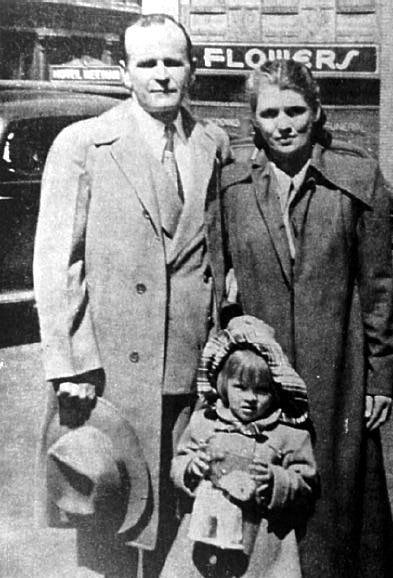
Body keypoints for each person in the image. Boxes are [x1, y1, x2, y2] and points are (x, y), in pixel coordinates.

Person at [34, 13, 229, 578]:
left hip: (189, 369)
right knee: (111, 518)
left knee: (179, 519)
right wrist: (71, 364)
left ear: (192, 70)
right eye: (147, 63)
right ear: (125, 73)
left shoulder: (214, 144)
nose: (161, 75)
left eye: (173, 62)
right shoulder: (84, 144)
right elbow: (57, 262)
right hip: (109, 375)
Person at [209, 59, 393, 577]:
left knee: (342, 504)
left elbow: (378, 287)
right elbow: (220, 290)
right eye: (269, 113)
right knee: (264, 500)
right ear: (254, 121)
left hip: (338, 370)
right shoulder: (230, 186)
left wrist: (381, 377)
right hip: (261, 379)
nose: (283, 125)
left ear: (316, 111)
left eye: (295, 110)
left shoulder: (356, 178)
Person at [160, 316, 318, 578]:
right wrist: (191, 468)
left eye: (262, 390)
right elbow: (179, 463)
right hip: (205, 532)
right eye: (241, 387)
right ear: (223, 383)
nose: (250, 399)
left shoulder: (287, 434)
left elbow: (306, 482)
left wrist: (276, 481)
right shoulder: (204, 423)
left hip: (261, 543)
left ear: (276, 389)